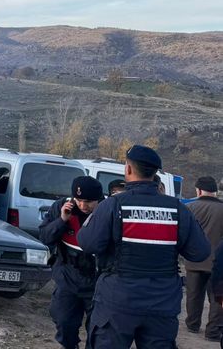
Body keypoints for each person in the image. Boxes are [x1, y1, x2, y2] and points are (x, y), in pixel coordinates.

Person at [77, 145, 211, 347]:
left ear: (128, 170)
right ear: (154, 173)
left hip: (118, 302)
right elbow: (200, 252)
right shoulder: (178, 209)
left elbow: (88, 242)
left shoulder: (113, 205)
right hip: (162, 304)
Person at [39, 176, 103, 349]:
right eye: (79, 200)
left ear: (99, 199)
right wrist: (62, 221)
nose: (83, 206)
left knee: (100, 330)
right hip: (68, 274)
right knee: (63, 320)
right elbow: (45, 237)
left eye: (89, 201)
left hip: (98, 280)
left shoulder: (107, 211)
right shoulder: (61, 207)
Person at [184, 176, 223, 340]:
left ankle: (193, 325)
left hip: (194, 261)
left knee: (193, 295)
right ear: (215, 191)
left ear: (199, 190)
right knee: (216, 298)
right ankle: (213, 332)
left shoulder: (189, 208)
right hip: (218, 262)